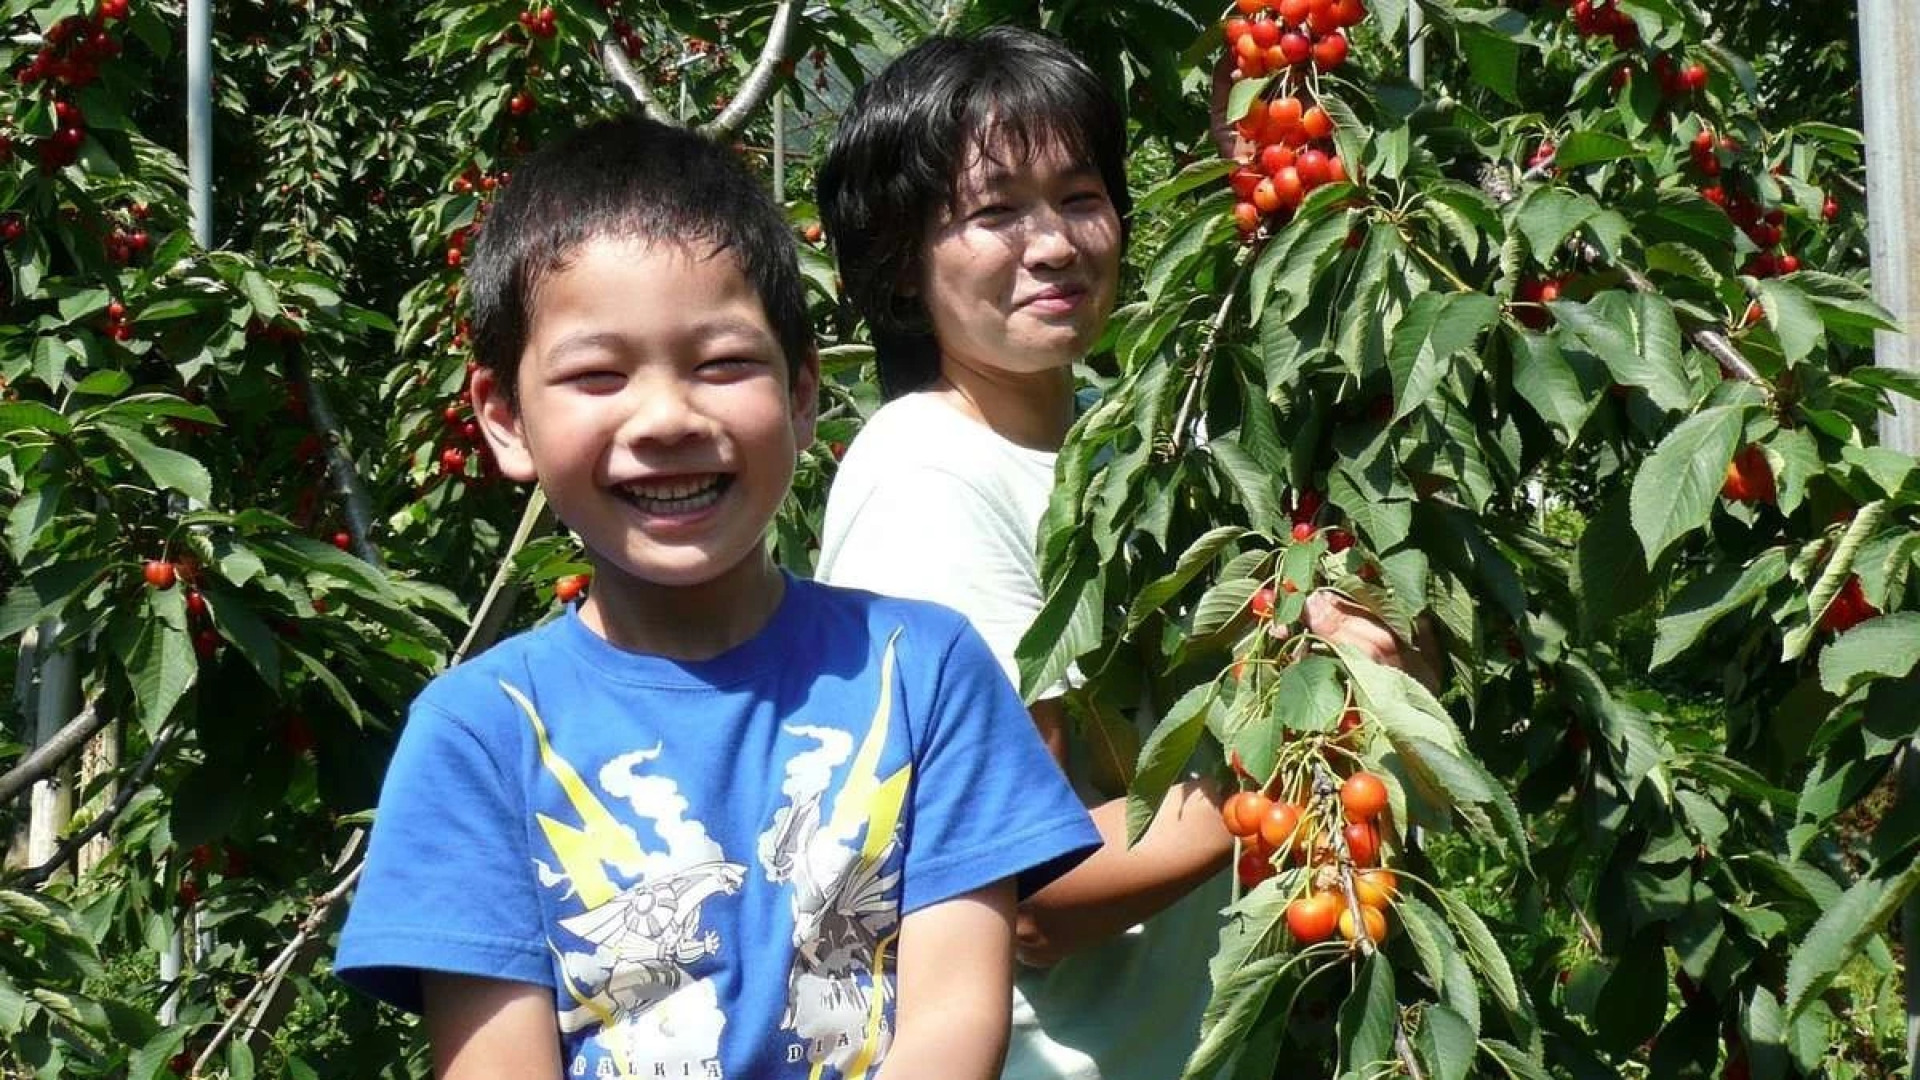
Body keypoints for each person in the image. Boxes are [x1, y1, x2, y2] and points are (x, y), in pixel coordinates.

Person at [333, 115, 1100, 1080]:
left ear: (804, 396)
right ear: (504, 419)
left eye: (725, 363)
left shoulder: (927, 674)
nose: (666, 419)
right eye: (596, 375)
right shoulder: (480, 734)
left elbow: (953, 1026)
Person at [813, 26, 1435, 1080]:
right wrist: (1315, 745)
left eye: (1079, 196)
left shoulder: (1125, 438)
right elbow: (1030, 896)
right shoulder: (928, 477)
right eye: (994, 210)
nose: (1052, 244)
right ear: (902, 265)